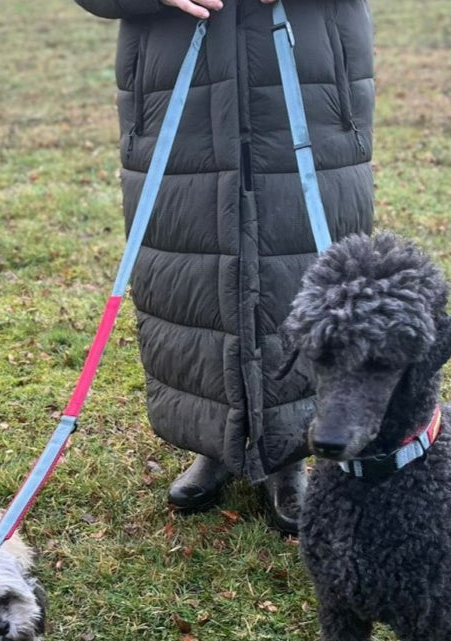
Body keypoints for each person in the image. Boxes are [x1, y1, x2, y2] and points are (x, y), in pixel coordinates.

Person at [72, 0, 374, 533]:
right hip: (176, 90)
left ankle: (291, 448)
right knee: (192, 268)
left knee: (300, 259)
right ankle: (217, 437)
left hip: (309, 79)